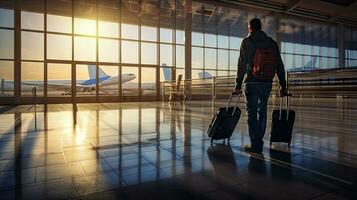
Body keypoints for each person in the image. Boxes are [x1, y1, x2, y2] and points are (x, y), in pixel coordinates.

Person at [232, 18, 287, 153]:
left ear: (250, 28)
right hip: (266, 82)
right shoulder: (272, 43)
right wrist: (283, 85)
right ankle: (259, 142)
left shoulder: (247, 41)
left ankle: (254, 144)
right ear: (260, 27)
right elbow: (279, 65)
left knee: (251, 113)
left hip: (251, 82)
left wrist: (238, 84)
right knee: (262, 111)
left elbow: (241, 65)